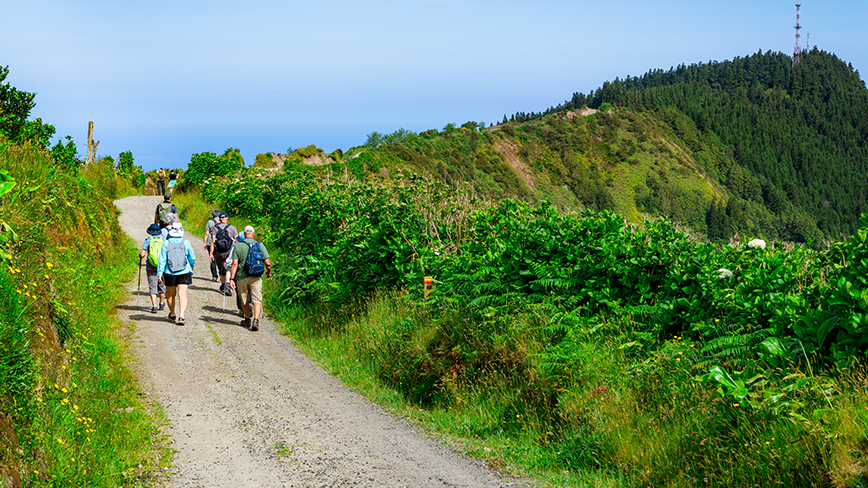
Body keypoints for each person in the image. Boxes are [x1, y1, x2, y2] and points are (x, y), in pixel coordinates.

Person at [230, 225, 272, 331]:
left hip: (241, 277)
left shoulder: (238, 246)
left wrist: (231, 279)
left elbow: (234, 264)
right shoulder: (260, 245)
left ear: (244, 234)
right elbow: (268, 263)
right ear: (253, 234)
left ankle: (247, 319)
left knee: (244, 300)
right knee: (257, 300)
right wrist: (268, 272)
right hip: (256, 276)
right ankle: (256, 320)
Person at [157, 222, 196, 325]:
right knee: (182, 294)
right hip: (184, 271)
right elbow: (192, 258)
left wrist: (159, 273)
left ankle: (173, 314)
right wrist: (190, 267)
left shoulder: (166, 243)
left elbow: (162, 259)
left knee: (170, 294)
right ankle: (181, 316)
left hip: (169, 272)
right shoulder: (186, 242)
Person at [138, 223, 166, 313]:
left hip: (151, 265)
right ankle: (161, 303)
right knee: (161, 284)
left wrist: (140, 255)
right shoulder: (163, 240)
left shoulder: (148, 240)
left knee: (152, 285)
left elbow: (143, 253)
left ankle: (154, 306)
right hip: (162, 265)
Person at [209, 213, 238, 296]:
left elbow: (213, 241)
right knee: (229, 267)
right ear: (227, 219)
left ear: (220, 220)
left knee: (221, 269)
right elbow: (236, 240)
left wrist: (211, 253)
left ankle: (223, 284)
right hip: (229, 251)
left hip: (219, 252)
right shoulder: (232, 228)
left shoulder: (216, 228)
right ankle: (227, 285)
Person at [203, 209, 221, 282]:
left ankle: (214, 275)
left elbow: (206, 233)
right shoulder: (222, 222)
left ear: (213, 215)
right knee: (220, 260)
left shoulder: (210, 222)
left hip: (210, 243)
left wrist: (204, 243)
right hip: (220, 243)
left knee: (212, 259)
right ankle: (223, 275)